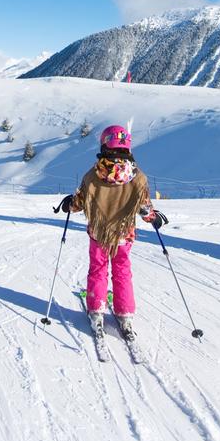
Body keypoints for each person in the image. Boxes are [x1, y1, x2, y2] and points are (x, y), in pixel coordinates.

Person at [58, 125, 167, 340]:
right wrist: (152, 218)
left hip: (99, 232)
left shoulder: (93, 174)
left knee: (98, 269)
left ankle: (96, 309)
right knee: (122, 271)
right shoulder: (138, 177)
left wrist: (70, 205)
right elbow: (143, 206)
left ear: (104, 143)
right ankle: (124, 312)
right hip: (124, 234)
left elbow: (79, 202)